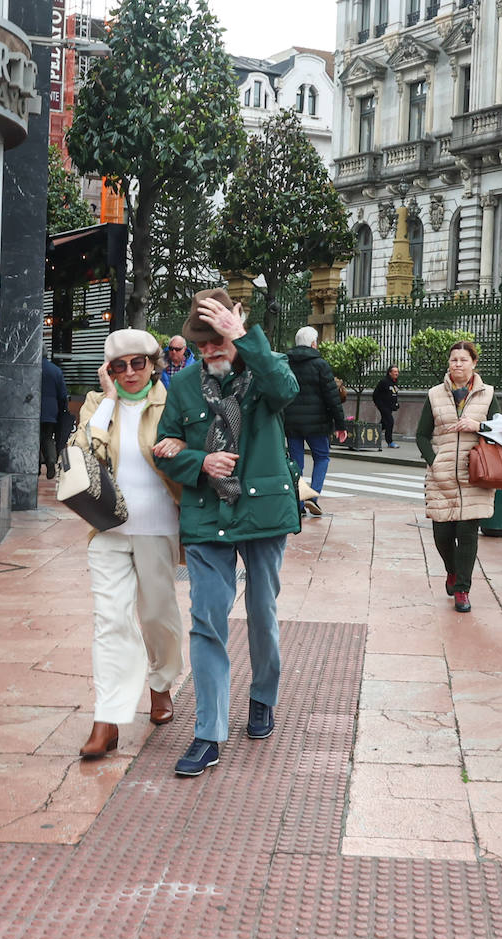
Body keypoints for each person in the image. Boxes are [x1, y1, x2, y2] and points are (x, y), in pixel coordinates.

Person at [153, 289, 300, 778]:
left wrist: (244, 338)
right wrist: (200, 461)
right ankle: (208, 732)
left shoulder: (264, 366)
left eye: (219, 341)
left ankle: (262, 696)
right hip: (206, 514)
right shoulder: (184, 386)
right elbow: (164, 448)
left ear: (235, 332)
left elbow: (286, 391)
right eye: (203, 344)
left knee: (262, 612)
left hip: (263, 513)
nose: (211, 351)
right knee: (207, 621)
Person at [70, 330, 185, 759]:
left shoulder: (171, 403)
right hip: (107, 529)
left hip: (157, 527)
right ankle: (108, 718)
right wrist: (108, 399)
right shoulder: (99, 405)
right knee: (110, 620)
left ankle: (160, 683)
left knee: (157, 615)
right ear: (108, 371)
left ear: (154, 363)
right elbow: (82, 451)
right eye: (119, 366)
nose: (130, 373)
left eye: (138, 363)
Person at [415, 339, 497, 614]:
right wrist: (434, 461)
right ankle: (451, 571)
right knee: (442, 534)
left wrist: (479, 425)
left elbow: (500, 431)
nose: (457, 364)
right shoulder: (435, 394)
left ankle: (462, 589)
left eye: (463, 359)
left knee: (468, 534)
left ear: (474, 363)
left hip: (474, 475)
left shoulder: (487, 395)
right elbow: (421, 435)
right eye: (453, 360)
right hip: (442, 476)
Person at [284, 326, 348, 518]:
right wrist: (340, 425)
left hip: (292, 423)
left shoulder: (285, 363)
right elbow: (332, 398)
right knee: (321, 458)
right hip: (317, 424)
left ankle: (297, 502)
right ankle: (313, 497)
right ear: (313, 343)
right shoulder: (320, 365)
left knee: (296, 463)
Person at [39, 356, 72, 480]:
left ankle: (35, 467)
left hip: (33, 409)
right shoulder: (55, 370)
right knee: (48, 438)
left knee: (33, 440)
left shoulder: (32, 368)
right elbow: (63, 394)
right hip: (51, 411)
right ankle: (51, 461)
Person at [373, 365, 401, 448]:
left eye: (397, 372)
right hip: (383, 406)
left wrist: (396, 404)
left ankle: (372, 433)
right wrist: (379, 405)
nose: (397, 373)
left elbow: (394, 394)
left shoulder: (394, 382)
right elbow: (375, 395)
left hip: (390, 407)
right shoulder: (384, 382)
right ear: (390, 373)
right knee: (390, 421)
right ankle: (390, 442)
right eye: (395, 372)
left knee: (384, 424)